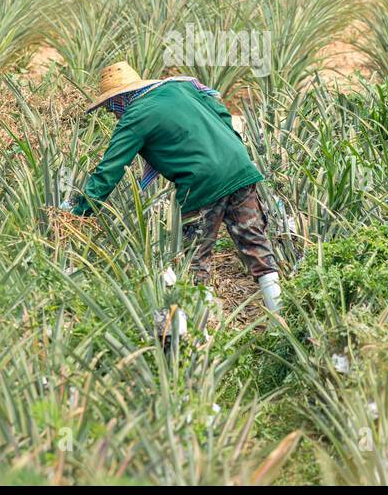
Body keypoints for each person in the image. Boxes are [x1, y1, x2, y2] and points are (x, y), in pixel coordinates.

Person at [64, 62, 282, 312]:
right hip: (240, 167)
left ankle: (203, 333)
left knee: (194, 258)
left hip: (201, 181)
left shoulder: (135, 115)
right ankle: (281, 316)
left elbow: (109, 170)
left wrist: (78, 213)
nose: (113, 115)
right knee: (255, 242)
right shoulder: (180, 89)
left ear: (120, 100)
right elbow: (222, 113)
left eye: (111, 108)